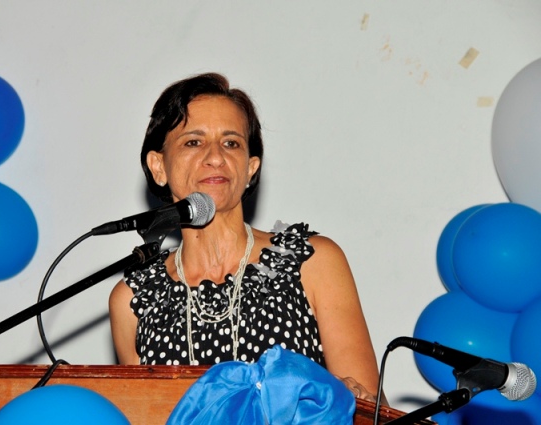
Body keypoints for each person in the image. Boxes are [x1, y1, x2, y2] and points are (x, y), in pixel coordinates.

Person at [109, 72, 383, 403]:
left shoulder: (310, 261)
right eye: (193, 142)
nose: (215, 157)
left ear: (251, 167)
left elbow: (369, 410)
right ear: (158, 167)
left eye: (231, 143)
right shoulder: (134, 299)